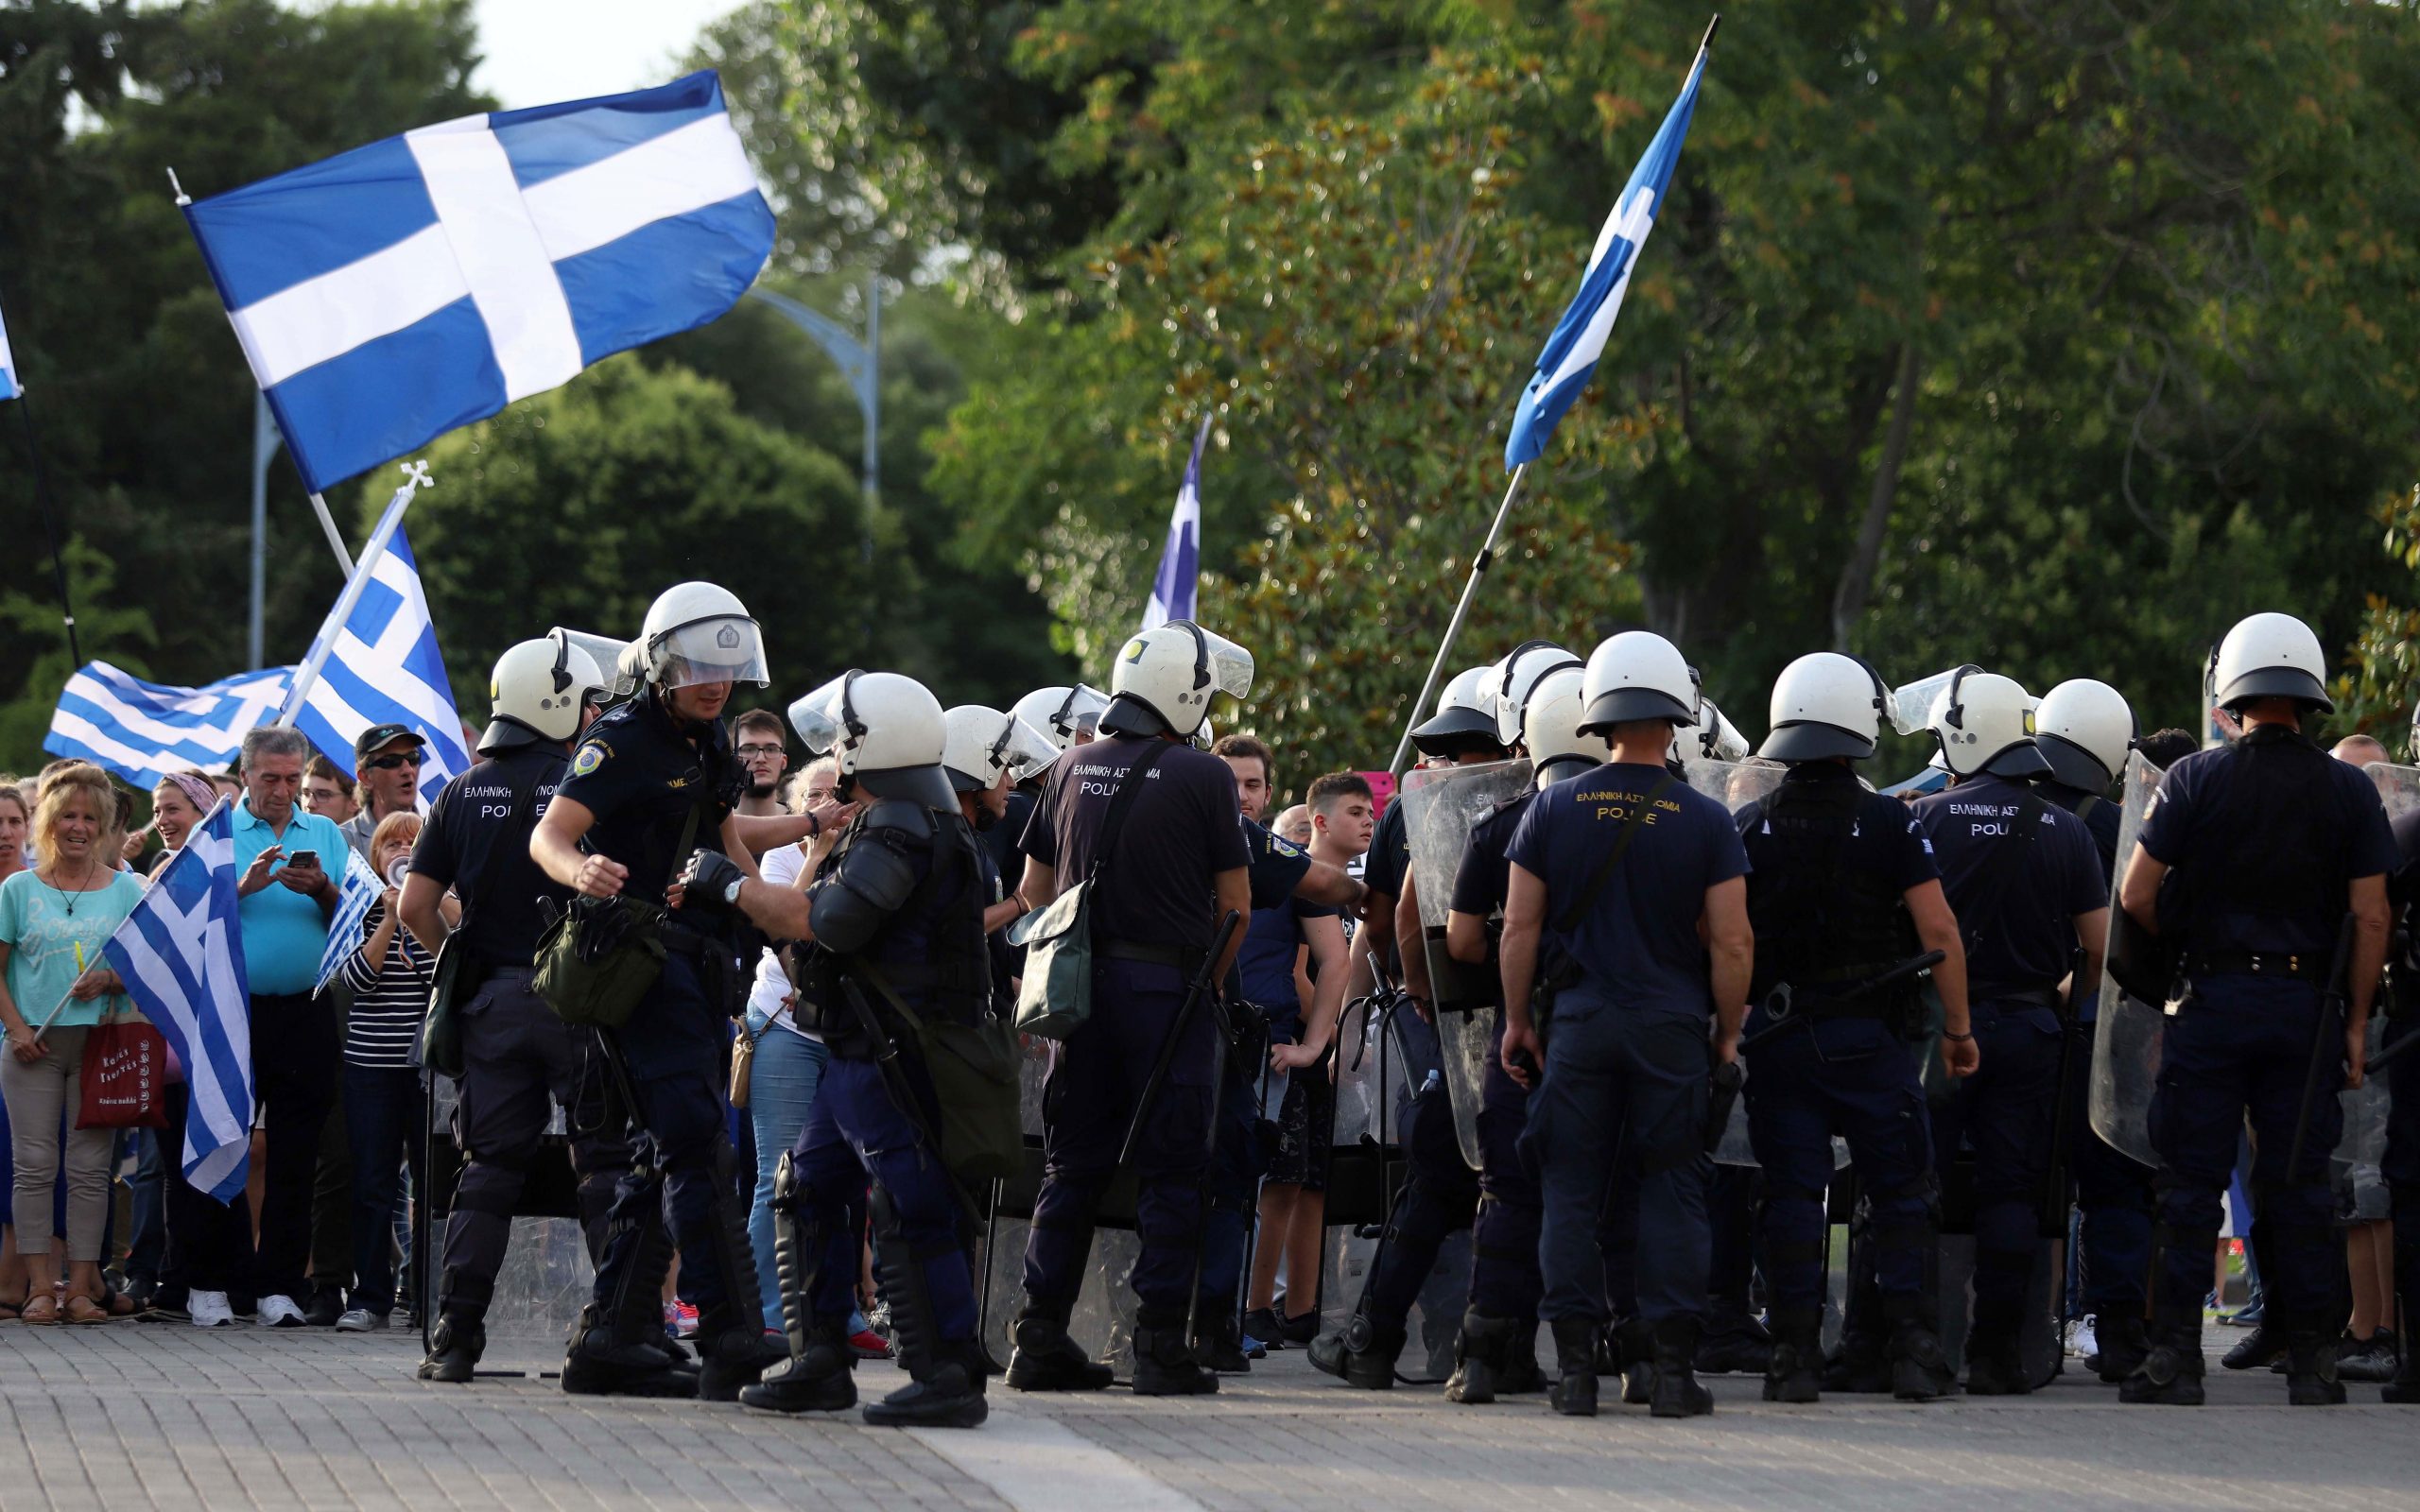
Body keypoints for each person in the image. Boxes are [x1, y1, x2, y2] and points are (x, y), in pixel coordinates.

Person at [531, 584, 829, 1400]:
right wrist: (580, 871)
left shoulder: (707, 745)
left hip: (691, 965)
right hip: (633, 965)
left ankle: (614, 1338)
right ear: (662, 662)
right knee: (697, 1141)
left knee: (663, 1153)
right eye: (701, 666)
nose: (717, 682)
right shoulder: (621, 738)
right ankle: (731, 1331)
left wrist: (807, 831)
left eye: (730, 669)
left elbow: (727, 842)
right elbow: (549, 834)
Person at [698, 671, 996, 1428]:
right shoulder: (909, 816)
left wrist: (729, 888)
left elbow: (829, 922)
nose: (834, 750)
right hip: (859, 1048)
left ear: (872, 744)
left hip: (892, 1054)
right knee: (808, 1191)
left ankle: (946, 1373)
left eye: (843, 738)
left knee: (909, 1206)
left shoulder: (900, 824)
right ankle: (820, 1359)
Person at [2117, 612, 2395, 1406]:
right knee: (2301, 1184)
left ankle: (2173, 1359)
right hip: (2304, 1008)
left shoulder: (2195, 780)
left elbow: (2136, 894)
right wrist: (2351, 1021)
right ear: (2308, 700)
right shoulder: (2348, 789)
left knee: (2190, 1184)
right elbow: (2372, 917)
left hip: (2210, 1002)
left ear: (2233, 698)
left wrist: (2191, 944)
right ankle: (2313, 1362)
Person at [1498, 631, 1752, 1419]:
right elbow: (1733, 940)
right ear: (1675, 714)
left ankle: (1576, 1372)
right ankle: (1672, 1372)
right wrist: (1729, 1033)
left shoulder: (1553, 806)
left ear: (1596, 715)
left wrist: (1517, 1023)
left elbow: (1517, 930)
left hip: (1578, 1025)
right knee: (1673, 1188)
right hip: (1672, 1025)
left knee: (1571, 1189)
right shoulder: (1708, 821)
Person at [1006, 621, 1255, 1397]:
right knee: (1175, 1170)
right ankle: (1156, 1346)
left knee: (1070, 1166)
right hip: (1168, 995)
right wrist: (1209, 992)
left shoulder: (1069, 766)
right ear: (1186, 692)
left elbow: (1036, 894)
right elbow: (1237, 907)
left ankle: (1037, 1335)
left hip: (1080, 995)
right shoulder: (1205, 776)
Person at [404, 633, 654, 1381]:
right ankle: (617, 1330)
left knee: (485, 1170)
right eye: (589, 702)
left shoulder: (457, 791)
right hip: (577, 1003)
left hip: (491, 1002)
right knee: (604, 1166)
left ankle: (455, 1336)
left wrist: (464, 956)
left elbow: (417, 907)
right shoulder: (589, 787)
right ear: (561, 704)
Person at [1735, 653, 1973, 1402]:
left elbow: (1728, 940)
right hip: (1872, 1042)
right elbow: (1939, 929)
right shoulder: (1888, 821)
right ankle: (1912, 1350)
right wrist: (1959, 1029)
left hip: (1779, 1043)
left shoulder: (1748, 826)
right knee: (1902, 1194)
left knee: (1793, 1196)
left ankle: (1794, 1357)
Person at [1908, 669, 2108, 1394]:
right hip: (2029, 1027)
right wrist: (2056, 993)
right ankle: (1997, 1352)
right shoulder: (2067, 829)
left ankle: (1916, 1342)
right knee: (2011, 1192)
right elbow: (2099, 947)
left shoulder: (1926, 819)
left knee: (1915, 1183)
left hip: (1938, 1032)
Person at [1307, 666, 1504, 1388]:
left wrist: (1419, 993)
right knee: (1452, 1169)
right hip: (1472, 1023)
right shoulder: (1428, 806)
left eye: (1469, 745)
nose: (1454, 763)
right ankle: (1445, 1334)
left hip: (1473, 1020)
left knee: (1448, 1174)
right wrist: (1382, 1010)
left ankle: (1415, 1335)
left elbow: (1391, 919)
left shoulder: (1537, 805)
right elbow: (1380, 921)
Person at [1435, 664, 1606, 1403]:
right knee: (1600, 1198)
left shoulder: (1500, 823)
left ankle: (1481, 1357)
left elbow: (1464, 941)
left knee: (1508, 1196)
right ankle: (1616, 1358)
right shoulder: (1646, 813)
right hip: (1606, 1029)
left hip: (1519, 1035)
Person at [2031, 677, 2155, 1381]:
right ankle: (2120, 1338)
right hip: (2099, 1033)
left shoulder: (2006, 808)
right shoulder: (2114, 825)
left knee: (2012, 1184)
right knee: (2115, 1191)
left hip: (2011, 1027)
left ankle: (2008, 1332)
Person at [0, 762, 146, 1323]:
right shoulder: (17, 889)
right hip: (30, 1047)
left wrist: (110, 979)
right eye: (67, 816)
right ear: (48, 824)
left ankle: (82, 1288)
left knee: (89, 1170)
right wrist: (16, 1031)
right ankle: (40, 1288)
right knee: (33, 1165)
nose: (78, 827)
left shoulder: (127, 890)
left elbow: (146, 966)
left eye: (89, 817)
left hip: (101, 1047)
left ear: (105, 824)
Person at [1217, 733, 1350, 1349]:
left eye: (1252, 784)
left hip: (1263, 1050)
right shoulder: (1179, 844)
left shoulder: (1281, 861)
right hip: (1181, 1043)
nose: (1242, 795)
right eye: (1230, 781)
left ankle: (1242, 1312)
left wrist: (1314, 1045)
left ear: (1269, 794)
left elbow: (1336, 960)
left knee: (1261, 1186)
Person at [223, 726, 350, 1330]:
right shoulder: (220, 831)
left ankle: (278, 1285)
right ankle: (224, 1279)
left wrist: (321, 886)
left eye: (291, 780)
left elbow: (352, 914)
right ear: (245, 774)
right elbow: (195, 918)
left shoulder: (322, 832)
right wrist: (241, 888)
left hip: (305, 1008)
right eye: (269, 778)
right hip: (235, 1010)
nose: (281, 791)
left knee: (297, 1152)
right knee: (229, 1144)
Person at [737, 754, 848, 1343]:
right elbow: (782, 929)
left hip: (845, 1036)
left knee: (843, 1181)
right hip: (786, 1030)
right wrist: (816, 857)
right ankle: (772, 1317)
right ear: (798, 806)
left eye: (839, 795)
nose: (828, 807)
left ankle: (840, 1315)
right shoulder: (782, 855)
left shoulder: (870, 852)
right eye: (815, 797)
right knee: (775, 1177)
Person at [334, 812, 433, 1332]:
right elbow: (354, 982)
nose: (399, 850)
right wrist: (391, 919)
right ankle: (369, 1296)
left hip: (426, 1073)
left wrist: (417, 912)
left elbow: (449, 973)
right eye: (390, 843)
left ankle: (423, 1294)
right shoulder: (359, 910)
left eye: (411, 842)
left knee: (430, 1182)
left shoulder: (442, 908)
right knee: (372, 1181)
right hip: (371, 1066)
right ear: (375, 857)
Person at [2327, 733, 2399, 1383]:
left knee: (2373, 1184)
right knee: (2354, 1185)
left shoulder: (2391, 842)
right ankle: (2362, 1322)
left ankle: (2379, 1327)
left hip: (2378, 1024)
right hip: (2360, 1023)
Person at [341, 725, 426, 865]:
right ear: (365, 777)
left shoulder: (439, 836)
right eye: (392, 761)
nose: (407, 770)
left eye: (413, 758)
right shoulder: (343, 841)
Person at [733, 709, 790, 823]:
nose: (761, 759)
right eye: (749, 749)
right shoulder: (711, 827)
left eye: (770, 749)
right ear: (732, 760)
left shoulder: (806, 829)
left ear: (784, 761)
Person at [302, 755, 358, 828]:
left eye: (323, 794)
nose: (309, 804)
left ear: (355, 801)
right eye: (306, 794)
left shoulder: (374, 838)